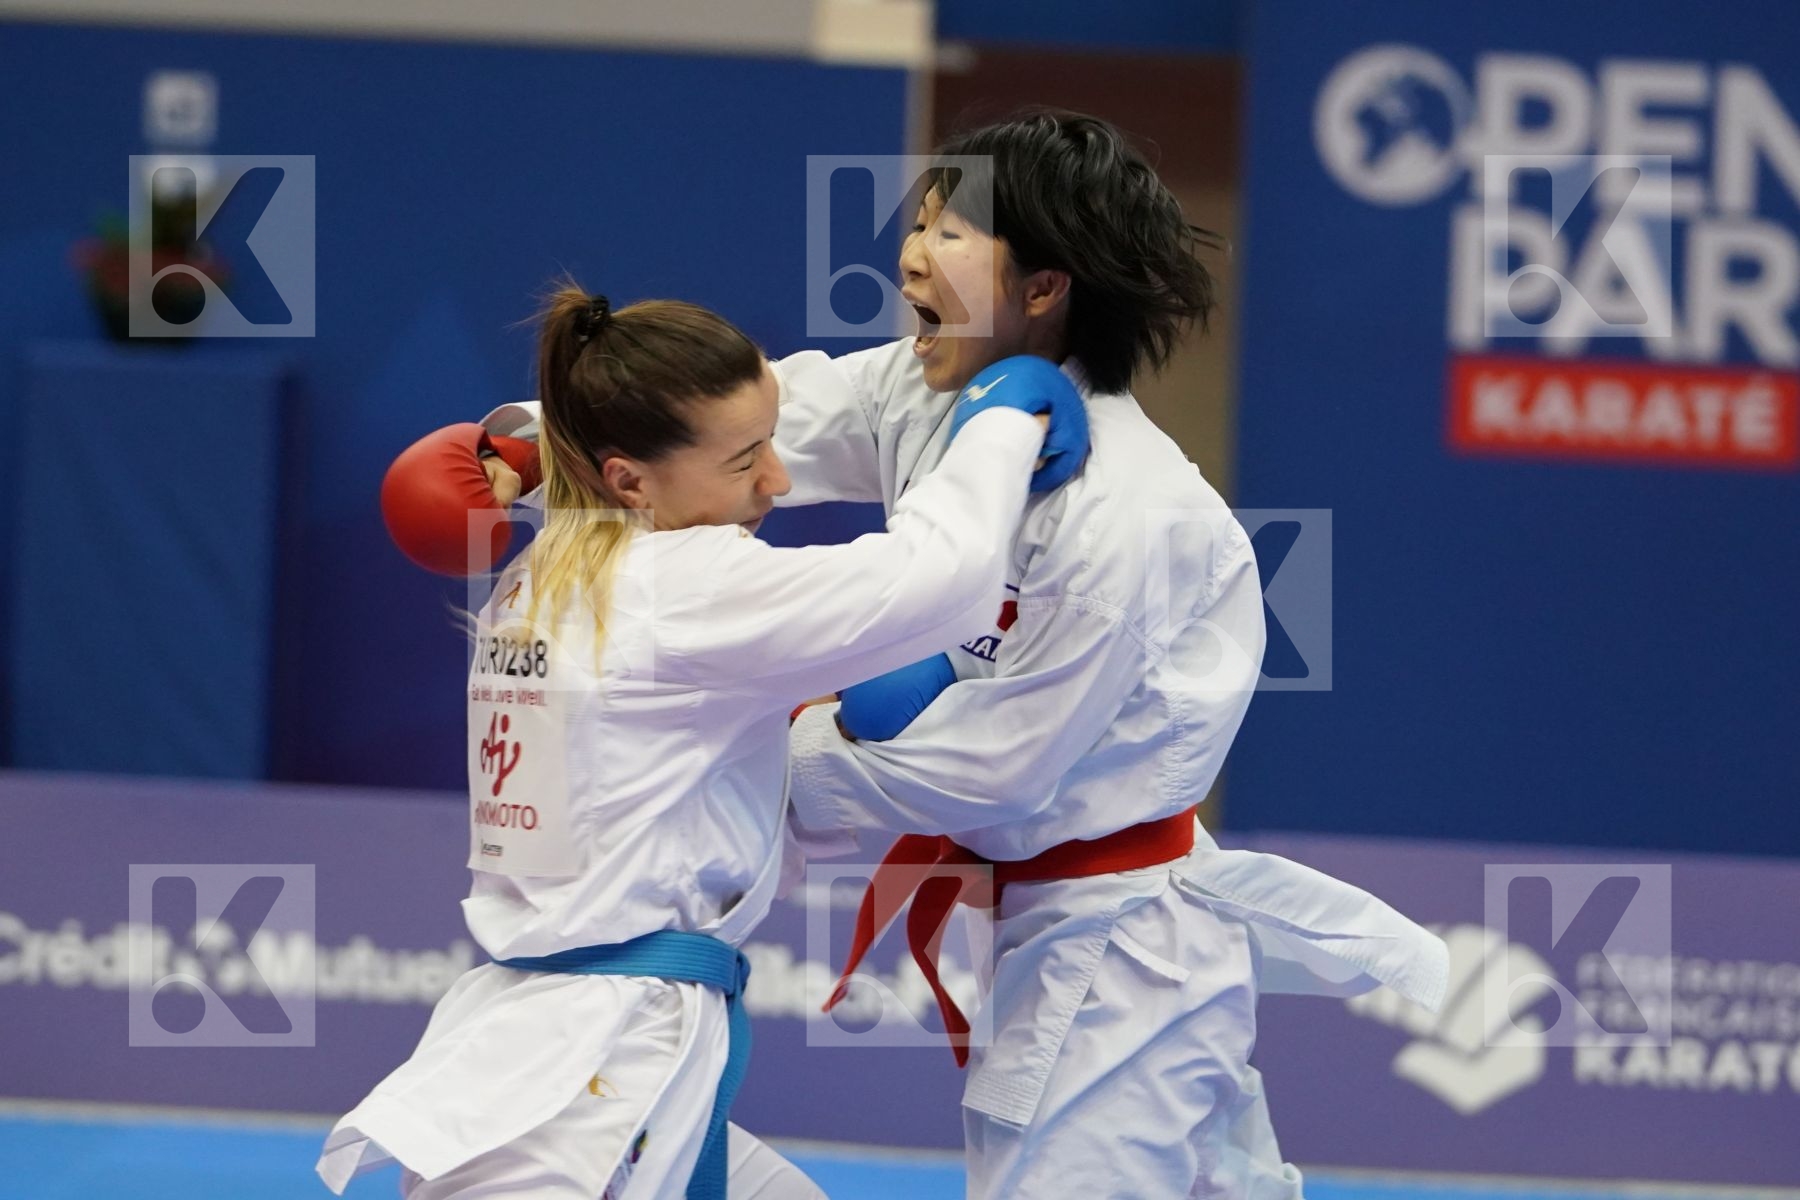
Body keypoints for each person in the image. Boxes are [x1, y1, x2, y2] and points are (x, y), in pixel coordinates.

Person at [387, 112, 1447, 1199]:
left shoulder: (1127, 508)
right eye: (922, 220)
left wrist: (762, 748)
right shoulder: (920, 389)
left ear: (1042, 288)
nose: (908, 251)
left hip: (1122, 944)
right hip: (1024, 920)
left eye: (949, 230)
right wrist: (525, 436)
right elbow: (741, 420)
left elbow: (1003, 768)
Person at [320, 282, 1088, 1199]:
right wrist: (1001, 421)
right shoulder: (681, 589)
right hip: (585, 1075)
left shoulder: (550, 570)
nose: (779, 481)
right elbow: (943, 575)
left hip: (572, 1035)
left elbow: (685, 783)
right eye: (745, 461)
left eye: (773, 441)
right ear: (629, 479)